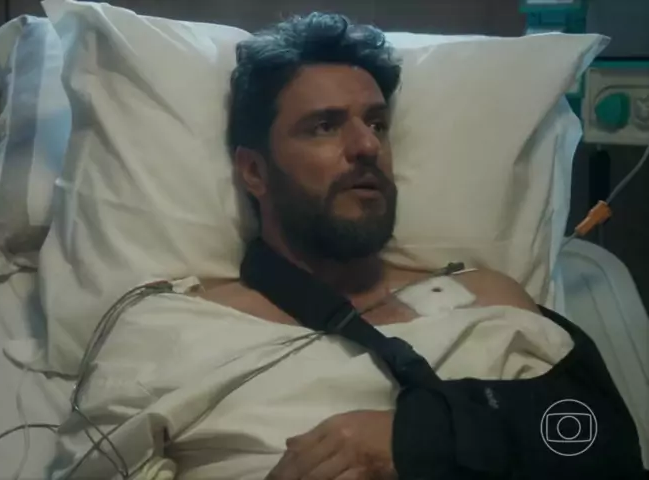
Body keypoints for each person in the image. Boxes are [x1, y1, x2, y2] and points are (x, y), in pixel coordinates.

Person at [197, 12, 541, 479]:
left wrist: (426, 441)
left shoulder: (491, 303)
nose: (367, 146)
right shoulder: (182, 333)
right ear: (254, 172)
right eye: (324, 126)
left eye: (377, 124)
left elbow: (592, 442)